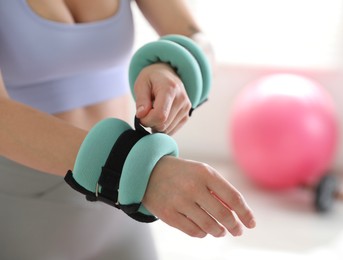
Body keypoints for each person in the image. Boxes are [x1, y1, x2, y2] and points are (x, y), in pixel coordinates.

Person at [0, 0, 256, 259]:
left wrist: (171, 65)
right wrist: (138, 169)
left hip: (125, 198)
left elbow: (196, 37)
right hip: (28, 199)